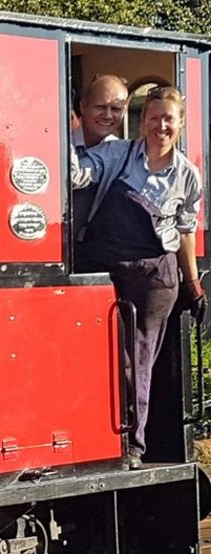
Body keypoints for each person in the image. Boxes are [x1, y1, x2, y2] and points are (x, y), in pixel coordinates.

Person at [72, 86, 204, 468]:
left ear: (180, 123)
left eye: (168, 119)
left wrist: (193, 284)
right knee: (94, 356)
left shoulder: (188, 176)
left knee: (136, 361)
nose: (161, 126)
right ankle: (95, 438)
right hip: (104, 268)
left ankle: (133, 445)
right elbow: (78, 174)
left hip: (154, 277)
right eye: (154, 117)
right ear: (143, 120)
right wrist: (67, 134)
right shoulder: (118, 154)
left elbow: (186, 231)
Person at [74, 75, 129, 151]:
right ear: (83, 107)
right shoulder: (61, 143)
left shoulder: (122, 152)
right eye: (101, 107)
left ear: (124, 112)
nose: (108, 116)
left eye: (115, 109)